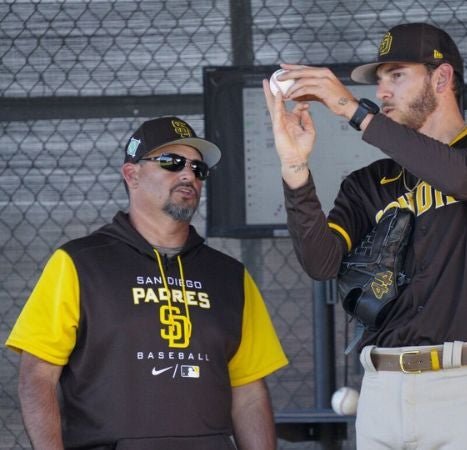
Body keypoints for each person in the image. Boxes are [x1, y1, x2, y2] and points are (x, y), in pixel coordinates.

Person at [264, 22, 467, 449]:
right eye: (379, 81)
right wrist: (295, 169)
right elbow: (320, 262)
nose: (383, 92)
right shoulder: (368, 182)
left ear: (442, 78)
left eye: (397, 75)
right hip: (381, 390)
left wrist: (352, 110)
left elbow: (464, 177)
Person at [5, 116, 288, 450]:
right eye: (172, 163)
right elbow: (37, 376)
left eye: (198, 169)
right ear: (132, 175)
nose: (188, 175)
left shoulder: (230, 277)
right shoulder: (79, 263)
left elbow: (249, 392)